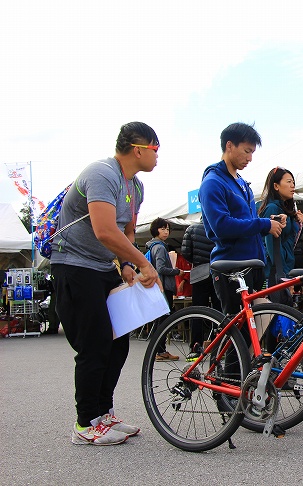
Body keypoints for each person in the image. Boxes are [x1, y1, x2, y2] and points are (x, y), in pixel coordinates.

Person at [50, 121, 161, 446]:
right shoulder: (102, 174)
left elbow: (126, 231)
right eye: (156, 150)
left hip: (102, 266)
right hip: (73, 263)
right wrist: (143, 262)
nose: (158, 157)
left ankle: (104, 413)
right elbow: (104, 230)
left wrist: (127, 264)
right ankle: (85, 424)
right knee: (95, 342)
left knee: (118, 341)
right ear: (138, 148)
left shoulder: (136, 187)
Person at [198, 122, 285, 322]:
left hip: (252, 265)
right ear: (229, 145)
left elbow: (246, 221)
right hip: (231, 268)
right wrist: (263, 225)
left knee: (252, 334)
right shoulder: (213, 182)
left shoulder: (241, 183)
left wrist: (267, 221)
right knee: (238, 334)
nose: (250, 158)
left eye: (252, 152)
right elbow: (221, 225)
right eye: (246, 151)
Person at [180, 221, 221, 360]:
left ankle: (195, 347)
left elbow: (185, 252)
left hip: (199, 272)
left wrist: (197, 261)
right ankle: (219, 347)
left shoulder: (191, 229)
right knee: (218, 312)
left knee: (198, 311)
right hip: (218, 271)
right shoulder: (218, 225)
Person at [257, 166, 303, 278]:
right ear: (276, 186)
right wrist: (282, 274)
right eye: (288, 182)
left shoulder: (285, 209)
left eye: (293, 182)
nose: (292, 185)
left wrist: (299, 223)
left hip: (286, 267)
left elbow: (289, 239)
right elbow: (272, 247)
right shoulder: (272, 209)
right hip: (276, 272)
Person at [145, 217, 182, 361]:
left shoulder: (151, 246)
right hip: (163, 286)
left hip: (156, 286)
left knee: (159, 319)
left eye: (167, 229)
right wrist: (176, 271)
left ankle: (158, 350)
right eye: (163, 229)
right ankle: (159, 351)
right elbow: (161, 268)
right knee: (163, 320)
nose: (166, 232)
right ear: (156, 230)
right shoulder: (160, 247)